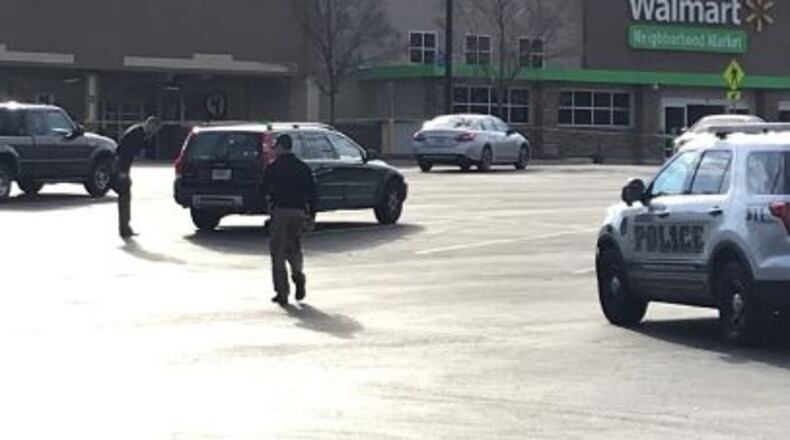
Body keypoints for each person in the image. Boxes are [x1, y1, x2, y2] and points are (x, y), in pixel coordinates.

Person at [261, 134, 318, 306]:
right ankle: (298, 275)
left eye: (275, 147)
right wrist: (312, 214)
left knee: (278, 251)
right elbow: (313, 193)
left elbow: (262, 189)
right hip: (299, 212)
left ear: (280, 147)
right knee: (294, 247)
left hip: (280, 211)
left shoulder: (273, 167)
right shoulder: (303, 167)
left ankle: (282, 292)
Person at [114, 116, 162, 238]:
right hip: (120, 166)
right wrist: (123, 172)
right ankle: (124, 228)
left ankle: (126, 227)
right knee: (124, 196)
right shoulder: (136, 133)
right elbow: (123, 152)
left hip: (123, 166)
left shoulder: (141, 133)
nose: (155, 133)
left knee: (126, 197)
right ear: (151, 124)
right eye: (155, 129)